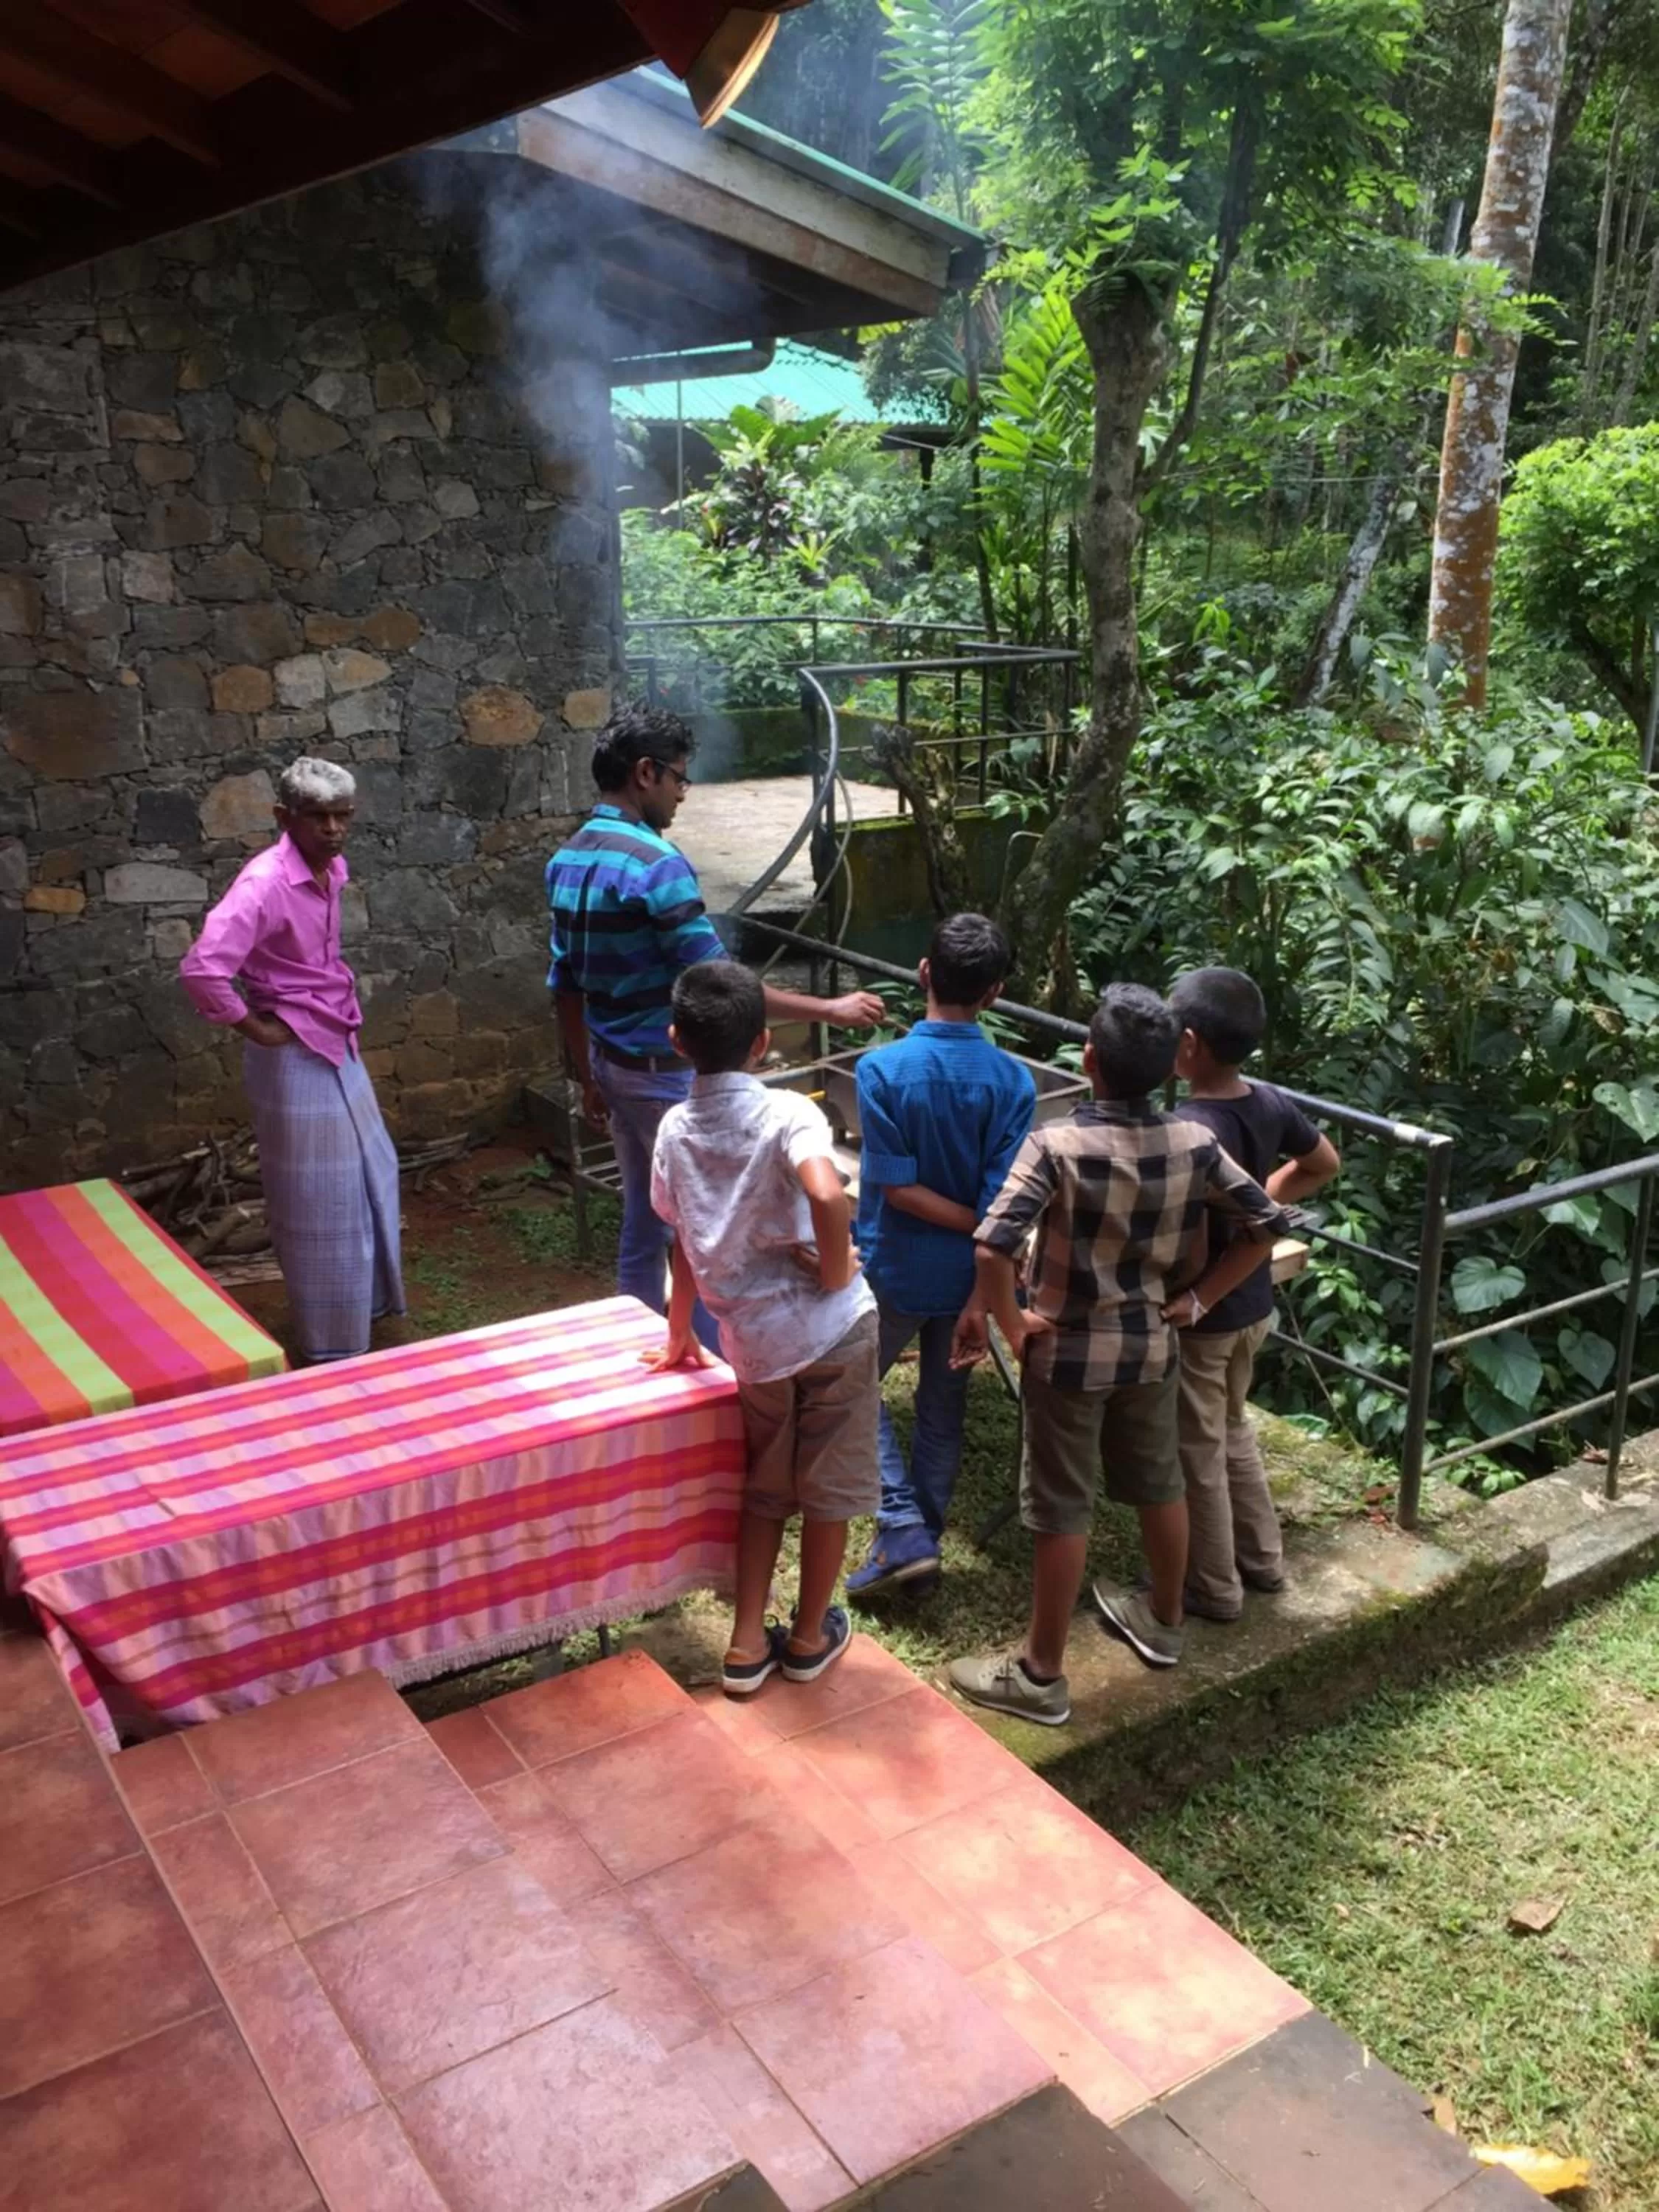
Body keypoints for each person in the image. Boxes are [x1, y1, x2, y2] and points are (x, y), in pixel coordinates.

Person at [947, 984, 1290, 1728]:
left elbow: (993, 1244)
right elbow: (1267, 1222)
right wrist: (1197, 1301)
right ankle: (1163, 1623)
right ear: (1173, 1067)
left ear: (1088, 1060)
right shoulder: (1195, 1143)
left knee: (1062, 1506)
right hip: (1152, 1347)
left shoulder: (1058, 1144)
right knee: (1160, 1484)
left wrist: (1015, 1326)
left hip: (1067, 1357)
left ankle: (1040, 1674)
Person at [547, 704, 883, 1338]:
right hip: (666, 1076)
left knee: (645, 1219)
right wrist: (830, 1009)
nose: (680, 794)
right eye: (678, 778)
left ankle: (636, 1343)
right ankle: (710, 1360)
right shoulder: (655, 865)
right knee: (707, 1227)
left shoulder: (566, 860)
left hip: (610, 1066)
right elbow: (722, 984)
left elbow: (564, 983)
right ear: (645, 774)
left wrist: (586, 1076)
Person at [646, 960, 878, 1696]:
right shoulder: (788, 1113)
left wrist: (681, 1332)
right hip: (834, 1330)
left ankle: (747, 1645)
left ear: (677, 1039)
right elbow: (827, 1191)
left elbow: (681, 1238)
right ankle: (809, 1637)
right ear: (764, 1043)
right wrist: (838, 1272)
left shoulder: (674, 1130)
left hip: (755, 1347)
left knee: (766, 1488)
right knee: (830, 1487)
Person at [179, 757, 403, 1363]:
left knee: (370, 1171)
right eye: (318, 816)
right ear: (285, 817)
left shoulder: (330, 869)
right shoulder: (264, 884)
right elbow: (203, 968)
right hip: (293, 1054)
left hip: (336, 1036)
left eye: (342, 816)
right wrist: (254, 1027)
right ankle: (332, 1345)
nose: (332, 829)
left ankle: (371, 1305)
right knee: (319, 1199)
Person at [845, 914, 1036, 1597]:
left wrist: (978, 1223)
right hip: (971, 1278)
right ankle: (919, 1532)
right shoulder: (1014, 1084)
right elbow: (1002, 1207)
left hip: (894, 1268)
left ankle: (902, 1528)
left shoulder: (881, 1070)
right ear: (994, 994)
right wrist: (983, 1281)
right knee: (942, 1404)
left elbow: (895, 1190)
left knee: (850, 1386)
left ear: (924, 973)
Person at [1164, 967, 1341, 1620]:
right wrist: (1263, 1196)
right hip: (1254, 1309)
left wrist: (1199, 1295)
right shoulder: (1266, 1100)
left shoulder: (1188, 1127)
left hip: (1206, 1314)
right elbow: (1324, 1163)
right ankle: (1262, 1561)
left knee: (1199, 1451)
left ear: (1187, 1043)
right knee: (1232, 1429)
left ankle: (1214, 1587)